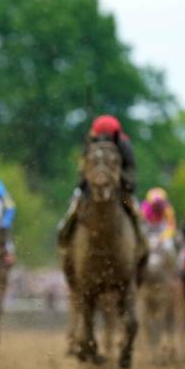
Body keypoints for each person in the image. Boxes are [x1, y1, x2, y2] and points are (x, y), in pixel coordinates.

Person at [57, 115, 145, 268]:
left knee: (134, 210)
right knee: (73, 208)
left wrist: (120, 179)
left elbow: (131, 171)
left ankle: (141, 242)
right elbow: (82, 170)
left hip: (121, 193)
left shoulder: (124, 146)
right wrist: (86, 184)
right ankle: (65, 241)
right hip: (89, 190)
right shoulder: (89, 146)